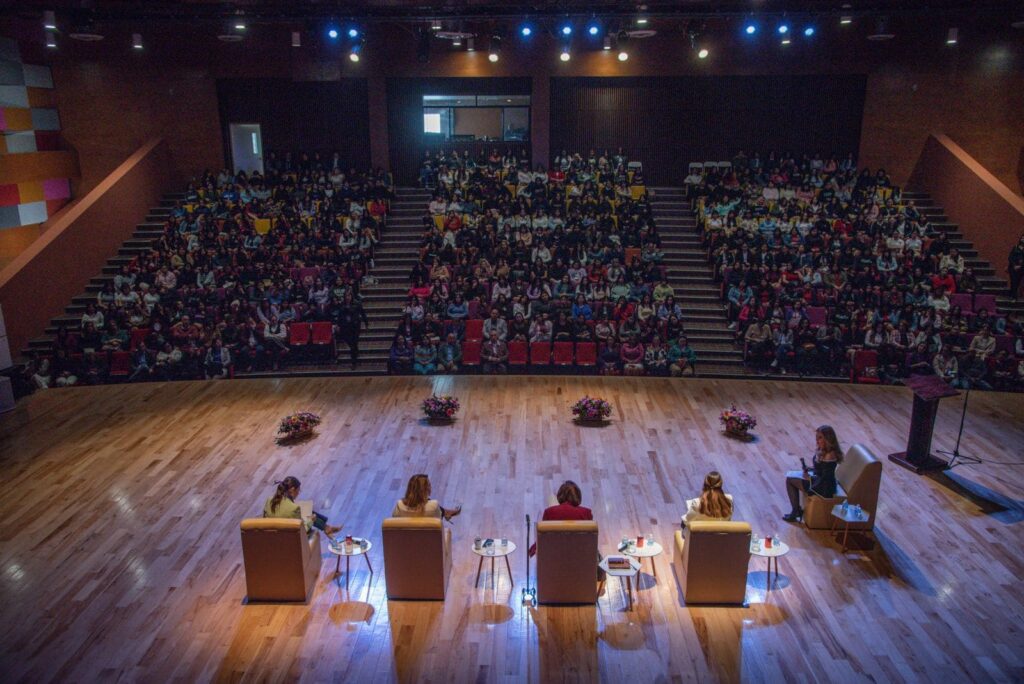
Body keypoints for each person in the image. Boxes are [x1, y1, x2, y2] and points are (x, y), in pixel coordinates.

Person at [783, 425, 843, 523]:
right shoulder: (823, 450)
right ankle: (796, 510)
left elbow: (825, 478)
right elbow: (820, 469)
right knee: (791, 477)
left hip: (823, 487)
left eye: (820, 438)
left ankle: (796, 511)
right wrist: (810, 469)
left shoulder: (829, 455)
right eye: (817, 437)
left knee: (790, 480)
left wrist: (809, 478)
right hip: (820, 481)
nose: (817, 440)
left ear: (828, 439)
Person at [263, 476, 342, 538]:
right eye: (298, 490)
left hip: (274, 536)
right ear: (293, 490)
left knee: (307, 510)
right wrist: (311, 520)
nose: (298, 493)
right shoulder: (293, 508)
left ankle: (327, 528)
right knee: (310, 516)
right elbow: (301, 530)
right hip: (290, 538)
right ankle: (327, 528)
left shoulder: (269, 500)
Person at [391, 474, 462, 521]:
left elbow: (394, 521)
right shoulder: (433, 505)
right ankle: (446, 512)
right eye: (429, 485)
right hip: (429, 542)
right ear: (425, 489)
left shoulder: (399, 505)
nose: (431, 487)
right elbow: (438, 523)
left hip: (405, 542)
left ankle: (446, 512)